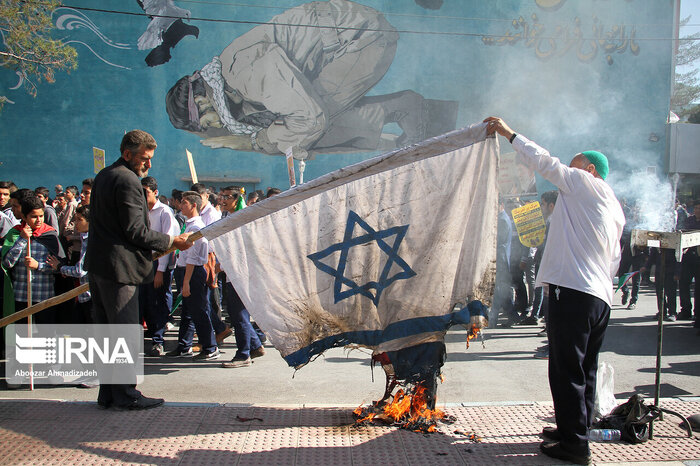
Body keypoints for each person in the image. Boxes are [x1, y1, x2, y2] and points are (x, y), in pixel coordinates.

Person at [485, 117, 625, 465]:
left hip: (574, 292)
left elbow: (545, 161)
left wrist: (509, 134)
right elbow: (615, 258)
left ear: (590, 169)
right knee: (584, 369)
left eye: (574, 164)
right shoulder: (613, 207)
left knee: (565, 369)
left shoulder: (582, 184)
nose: (567, 170)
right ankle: (574, 429)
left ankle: (575, 446)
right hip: (598, 297)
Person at [165, 0, 457, 160]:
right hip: (339, 47)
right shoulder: (232, 90)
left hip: (359, 39)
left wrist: (255, 143)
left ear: (203, 100)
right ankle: (400, 133)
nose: (213, 129)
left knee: (311, 123)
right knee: (301, 133)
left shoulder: (242, 72)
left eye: (205, 124)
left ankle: (409, 108)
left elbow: (310, 120)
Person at [85, 129, 191, 411]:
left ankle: (109, 393)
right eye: (145, 159)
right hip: (119, 269)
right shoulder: (128, 180)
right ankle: (127, 394)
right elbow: (136, 231)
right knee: (123, 331)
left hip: (99, 266)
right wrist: (172, 240)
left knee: (107, 331)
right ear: (127, 154)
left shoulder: (104, 176)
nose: (149, 165)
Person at [166, 191, 220, 360]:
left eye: (185, 202)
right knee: (188, 311)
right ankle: (184, 345)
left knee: (199, 310)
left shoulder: (196, 227)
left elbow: (193, 258)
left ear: (194, 205)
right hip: (185, 270)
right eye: (181, 202)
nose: (181, 205)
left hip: (193, 271)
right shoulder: (189, 224)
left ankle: (210, 347)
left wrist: (186, 282)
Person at [218, 186, 266, 368]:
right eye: (221, 196)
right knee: (237, 313)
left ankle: (243, 354)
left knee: (238, 314)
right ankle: (254, 345)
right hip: (232, 272)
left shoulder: (243, 219)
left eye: (226, 197)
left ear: (236, 199)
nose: (222, 200)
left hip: (242, 274)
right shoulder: (228, 217)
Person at [2, 194, 64, 324]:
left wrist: (38, 265)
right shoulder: (15, 234)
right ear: (24, 217)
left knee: (45, 335)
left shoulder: (50, 235)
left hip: (44, 295)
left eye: (41, 216)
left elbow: (59, 267)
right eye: (34, 217)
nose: (39, 220)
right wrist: (22, 239)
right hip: (21, 295)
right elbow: (7, 263)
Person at [140, 176, 180, 356]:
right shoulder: (139, 211)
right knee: (143, 300)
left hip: (158, 261)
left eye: (145, 192)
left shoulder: (164, 212)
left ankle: (158, 340)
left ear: (155, 192)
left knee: (157, 301)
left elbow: (167, 243)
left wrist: (160, 271)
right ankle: (151, 332)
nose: (141, 195)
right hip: (142, 261)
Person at [47, 205, 92, 324]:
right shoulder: (85, 238)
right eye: (75, 219)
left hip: (91, 297)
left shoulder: (91, 240)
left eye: (79, 219)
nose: (75, 223)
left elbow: (80, 271)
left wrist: (60, 268)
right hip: (84, 296)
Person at [679, 201, 700, 327]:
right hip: (687, 256)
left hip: (698, 257)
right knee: (683, 284)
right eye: (696, 208)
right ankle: (685, 309)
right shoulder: (689, 220)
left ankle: (697, 313)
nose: (697, 210)